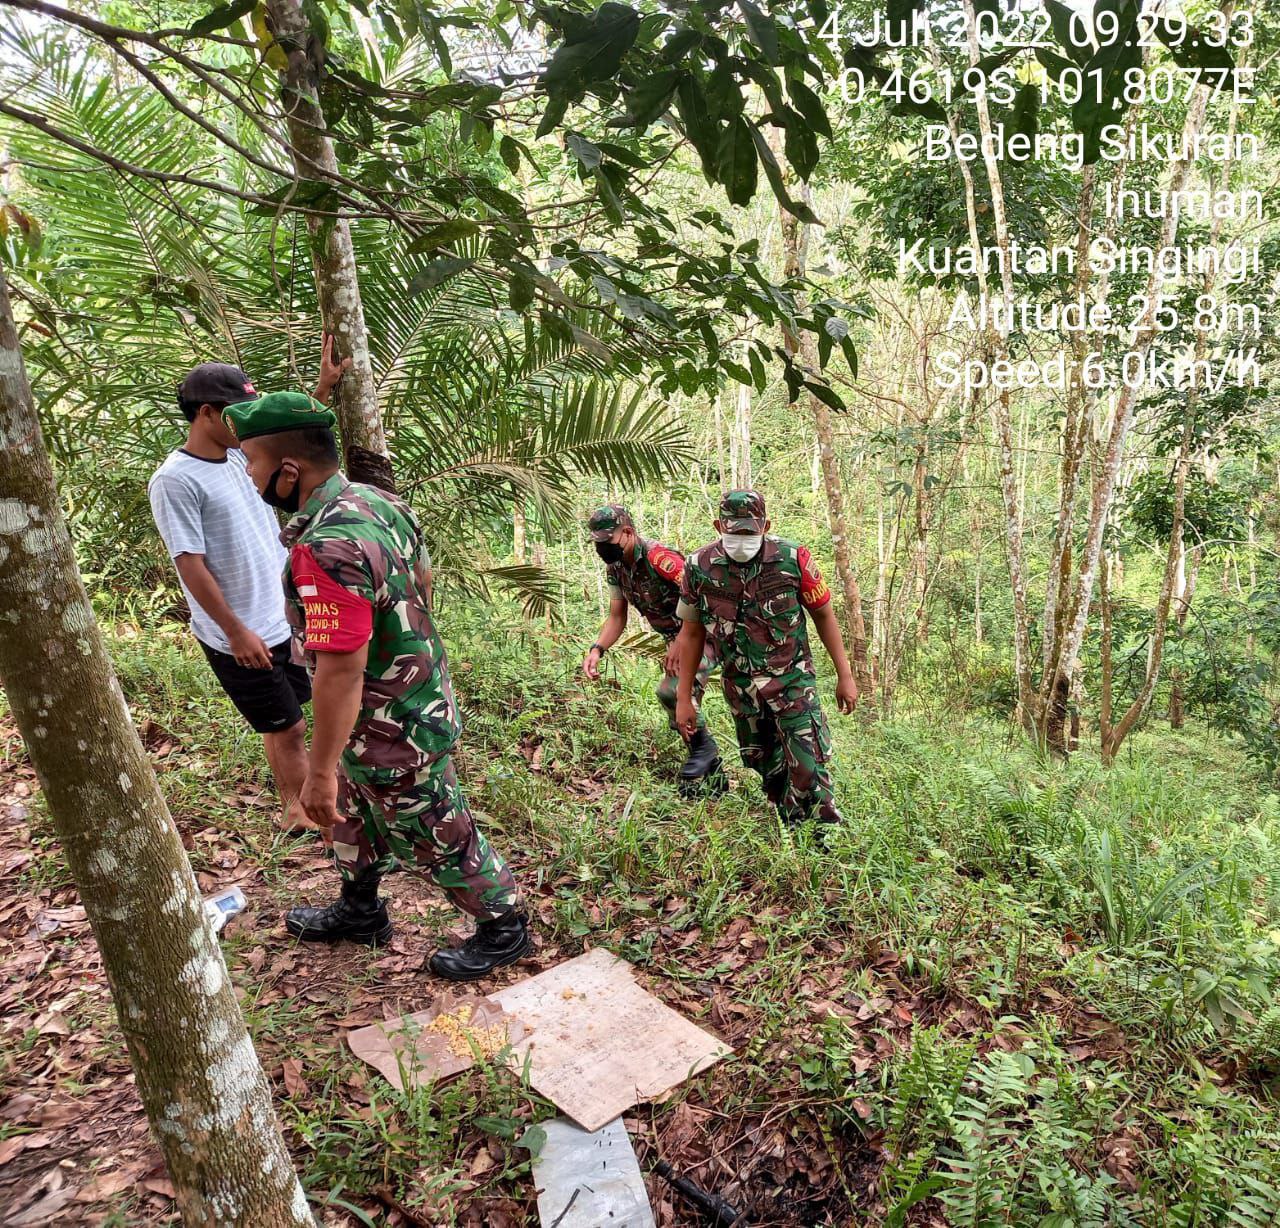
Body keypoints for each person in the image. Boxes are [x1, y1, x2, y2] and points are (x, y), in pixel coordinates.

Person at [223, 391, 529, 980]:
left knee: (433, 821)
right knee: (352, 813)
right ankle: (360, 909)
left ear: (289, 471)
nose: (252, 478)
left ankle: (503, 925)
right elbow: (423, 581)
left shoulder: (327, 547)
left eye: (254, 465)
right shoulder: (375, 500)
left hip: (390, 722)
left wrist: (315, 767)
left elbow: (341, 669)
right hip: (405, 697)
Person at [147, 338, 348, 831]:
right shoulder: (175, 480)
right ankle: (300, 814)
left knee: (292, 715)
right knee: (288, 724)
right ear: (207, 414)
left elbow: (290, 440)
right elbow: (190, 564)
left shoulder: (242, 453)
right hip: (236, 630)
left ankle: (301, 802)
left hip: (281, 615)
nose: (248, 424)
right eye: (239, 413)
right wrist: (235, 630)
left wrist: (322, 388)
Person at [673, 490, 858, 827]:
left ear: (765, 525)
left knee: (808, 764)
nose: (741, 540)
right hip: (742, 686)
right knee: (765, 765)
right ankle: (790, 822)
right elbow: (691, 633)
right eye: (733, 533)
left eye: (749, 532)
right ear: (718, 526)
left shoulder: (792, 558)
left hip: (792, 681)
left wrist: (845, 675)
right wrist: (685, 697)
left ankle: (823, 838)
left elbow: (824, 616)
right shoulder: (698, 567)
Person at [582, 505, 723, 794]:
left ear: (628, 533)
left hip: (706, 632)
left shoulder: (660, 558)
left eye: (606, 541)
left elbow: (700, 596)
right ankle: (713, 778)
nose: (602, 548)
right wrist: (597, 649)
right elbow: (617, 616)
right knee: (681, 703)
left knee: (671, 691)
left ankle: (704, 750)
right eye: (597, 542)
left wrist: (683, 639)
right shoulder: (617, 568)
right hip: (676, 638)